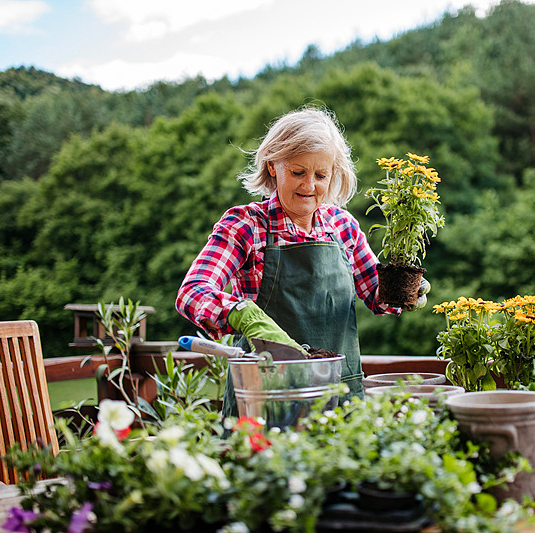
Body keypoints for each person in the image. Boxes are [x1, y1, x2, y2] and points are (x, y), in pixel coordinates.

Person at [175, 106, 429, 416]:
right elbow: (192, 293)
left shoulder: (342, 226)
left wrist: (405, 291)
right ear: (273, 166)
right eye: (298, 172)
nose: (309, 186)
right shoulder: (246, 225)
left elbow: (377, 297)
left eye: (321, 175)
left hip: (339, 395)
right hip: (265, 396)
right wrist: (242, 315)